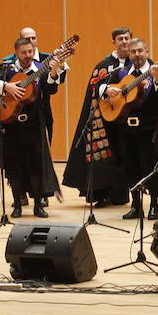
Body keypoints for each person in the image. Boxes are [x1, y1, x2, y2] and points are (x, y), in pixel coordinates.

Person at [0, 37, 66, 218]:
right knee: (14, 167)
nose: (28, 56)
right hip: (11, 125)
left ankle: (38, 205)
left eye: (30, 52)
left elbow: (50, 89)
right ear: (16, 53)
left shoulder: (39, 68)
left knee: (35, 165)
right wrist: (7, 86)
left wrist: (54, 72)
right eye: (24, 52)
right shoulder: (6, 68)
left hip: (34, 124)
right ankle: (17, 205)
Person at [100, 38, 158, 220]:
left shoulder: (156, 70)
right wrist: (107, 89)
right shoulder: (122, 73)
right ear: (128, 54)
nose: (137, 55)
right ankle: (136, 205)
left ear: (147, 51)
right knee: (130, 167)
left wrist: (157, 78)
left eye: (140, 51)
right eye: (133, 52)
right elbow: (100, 87)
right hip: (127, 130)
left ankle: (154, 204)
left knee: (150, 167)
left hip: (149, 130)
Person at [62, 27, 133, 208]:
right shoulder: (105, 64)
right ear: (114, 42)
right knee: (104, 156)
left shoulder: (137, 62)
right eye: (120, 39)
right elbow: (95, 86)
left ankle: (121, 195)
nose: (124, 41)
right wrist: (105, 89)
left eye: (126, 38)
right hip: (105, 117)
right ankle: (102, 194)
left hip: (128, 118)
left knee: (125, 155)